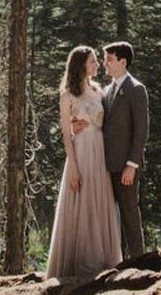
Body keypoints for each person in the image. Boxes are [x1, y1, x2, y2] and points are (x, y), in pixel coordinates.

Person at [46, 45, 122, 279]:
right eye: (92, 61)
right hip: (80, 153)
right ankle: (80, 262)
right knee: (81, 202)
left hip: (99, 153)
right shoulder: (67, 95)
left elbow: (108, 122)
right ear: (80, 65)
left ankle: (103, 260)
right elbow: (65, 135)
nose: (97, 64)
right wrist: (74, 169)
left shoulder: (100, 91)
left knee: (99, 202)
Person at [102, 41, 148, 259]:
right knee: (111, 216)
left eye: (109, 59)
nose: (105, 63)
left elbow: (141, 130)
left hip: (126, 165)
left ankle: (139, 261)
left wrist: (132, 165)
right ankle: (117, 261)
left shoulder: (136, 89)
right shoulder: (106, 91)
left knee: (130, 212)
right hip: (106, 165)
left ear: (122, 61)